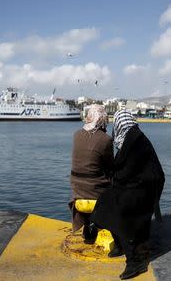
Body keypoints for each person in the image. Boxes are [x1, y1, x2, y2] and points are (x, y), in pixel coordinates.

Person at [91, 110, 165, 280]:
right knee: (104, 202)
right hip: (135, 185)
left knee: (120, 209)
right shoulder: (131, 137)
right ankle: (119, 244)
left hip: (145, 188)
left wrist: (114, 177)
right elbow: (125, 171)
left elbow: (128, 170)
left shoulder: (134, 140)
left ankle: (135, 261)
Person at [69, 104, 113, 243]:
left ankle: (87, 224)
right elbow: (110, 167)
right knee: (114, 186)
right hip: (95, 192)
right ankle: (106, 226)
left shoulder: (76, 135)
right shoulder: (106, 139)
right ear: (103, 120)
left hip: (77, 190)